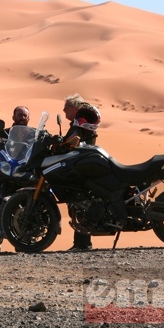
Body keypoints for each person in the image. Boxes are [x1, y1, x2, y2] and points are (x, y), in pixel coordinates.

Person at [61, 94, 100, 251]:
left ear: (74, 107)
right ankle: (81, 243)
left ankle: (83, 243)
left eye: (66, 108)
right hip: (79, 165)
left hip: (80, 168)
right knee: (77, 204)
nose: (64, 111)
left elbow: (73, 141)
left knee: (80, 203)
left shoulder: (82, 124)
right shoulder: (79, 124)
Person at [0, 106, 30, 224]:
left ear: (28, 118)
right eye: (19, 115)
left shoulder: (34, 135)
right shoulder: (3, 133)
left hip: (26, 174)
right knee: (1, 200)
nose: (22, 117)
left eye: (25, 115)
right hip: (8, 174)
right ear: (13, 117)